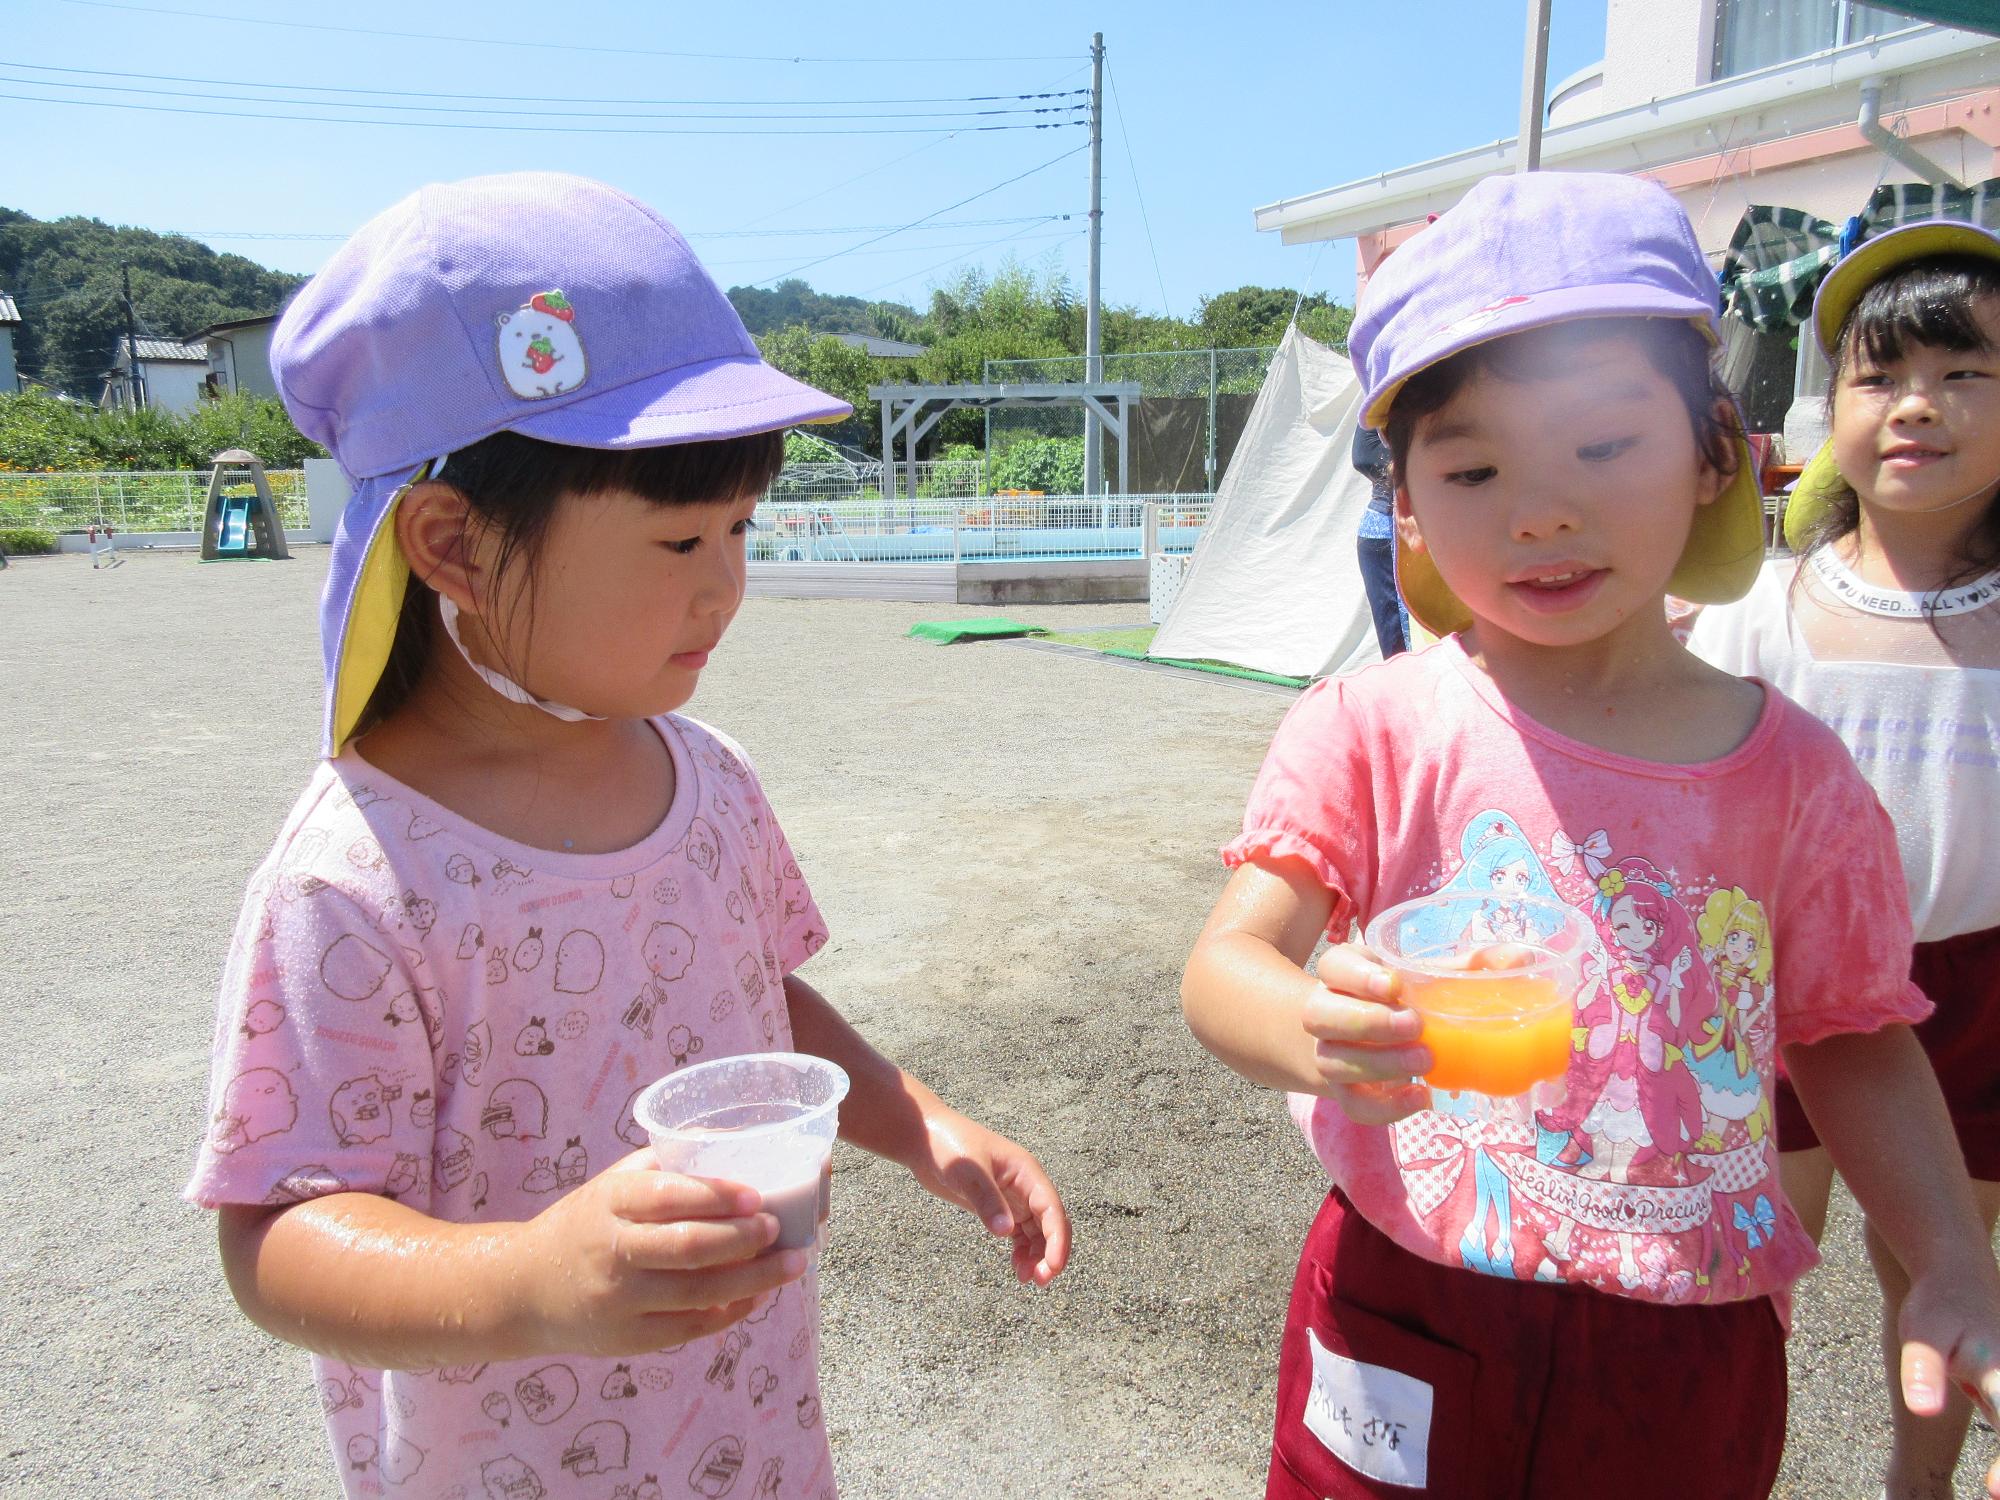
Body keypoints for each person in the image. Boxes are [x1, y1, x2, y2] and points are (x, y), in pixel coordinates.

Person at [184, 172, 1070, 1499]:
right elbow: (280, 1235)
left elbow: (758, 997)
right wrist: (530, 1280)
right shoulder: (359, 880)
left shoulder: (708, 783)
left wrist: (920, 1123)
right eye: (675, 539)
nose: (726, 584)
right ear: (453, 547)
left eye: (740, 528)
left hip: (748, 1437)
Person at [1178, 172, 2000, 1500]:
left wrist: (1955, 1261)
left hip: (1685, 1341)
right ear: (1407, 501)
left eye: (1604, 449)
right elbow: (1226, 965)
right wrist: (1301, 1019)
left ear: (1715, 454)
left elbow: (1855, 1036)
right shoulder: (1374, 728)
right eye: (1473, 465)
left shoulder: (1792, 776)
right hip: (1407, 1294)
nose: (1538, 511)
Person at [1688, 219, 2000, 1500]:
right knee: (1752, 1256)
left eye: (1964, 374)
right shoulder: (1759, 606)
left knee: (1933, 1264)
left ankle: (1915, 1485)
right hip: (1770, 985)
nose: (1913, 407)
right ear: (1830, 411)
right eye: (1876, 376)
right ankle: (1714, 1469)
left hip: (1976, 989)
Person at [1352, 425, 1409, 657]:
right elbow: (1362, 455)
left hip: (1430, 531)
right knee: (1394, 643)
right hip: (1381, 529)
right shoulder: (1375, 402)